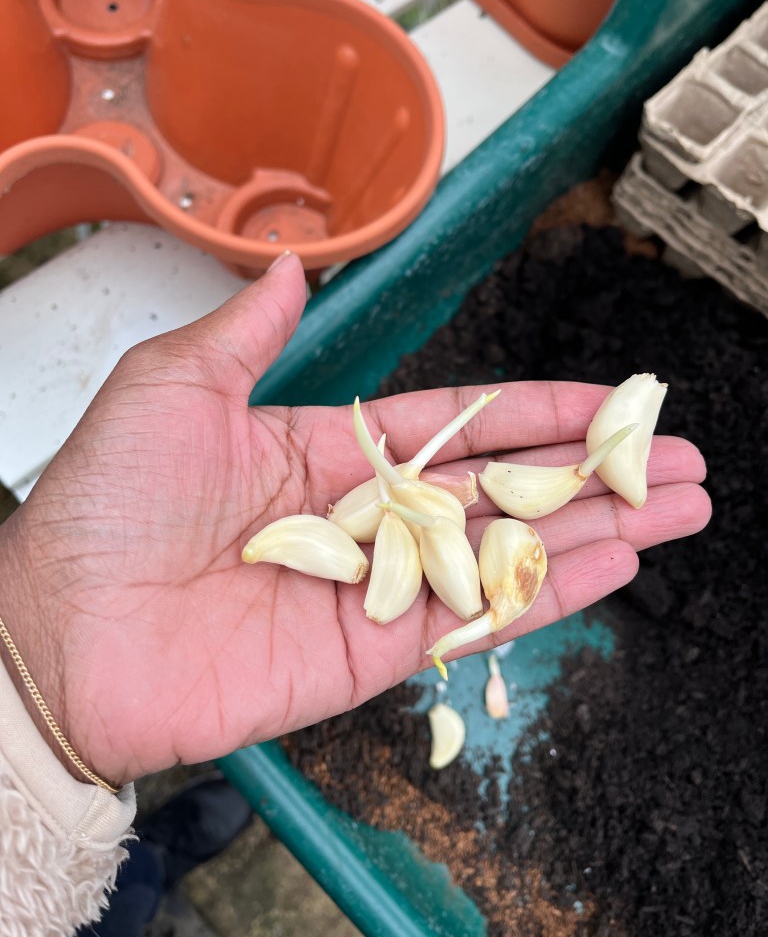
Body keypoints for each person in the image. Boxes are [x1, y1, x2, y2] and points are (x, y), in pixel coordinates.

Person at [0, 252, 711, 935]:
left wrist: (42, 667)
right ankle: (149, 866)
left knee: (113, 898)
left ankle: (147, 867)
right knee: (117, 901)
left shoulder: (414, 527)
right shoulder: (403, 530)